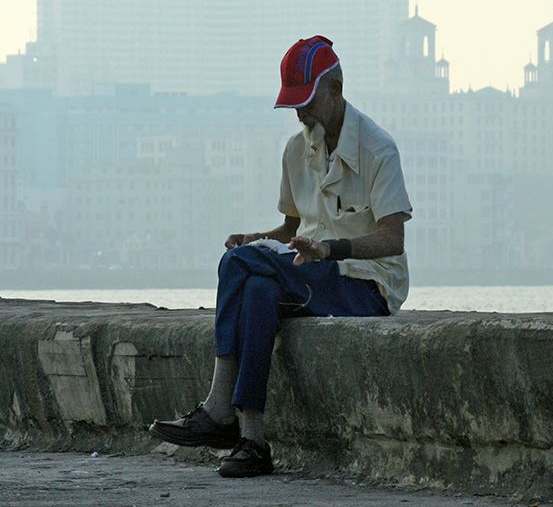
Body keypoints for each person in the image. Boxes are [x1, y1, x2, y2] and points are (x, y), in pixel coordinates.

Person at [149, 35, 412, 478]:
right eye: (294, 104)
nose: (300, 113)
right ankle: (251, 439)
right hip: (307, 271)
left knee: (238, 267)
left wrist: (331, 249)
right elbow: (292, 230)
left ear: (335, 91)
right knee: (255, 286)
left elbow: (393, 239)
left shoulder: (378, 149)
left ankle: (219, 409)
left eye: (307, 102)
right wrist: (258, 237)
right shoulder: (296, 149)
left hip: (364, 285)